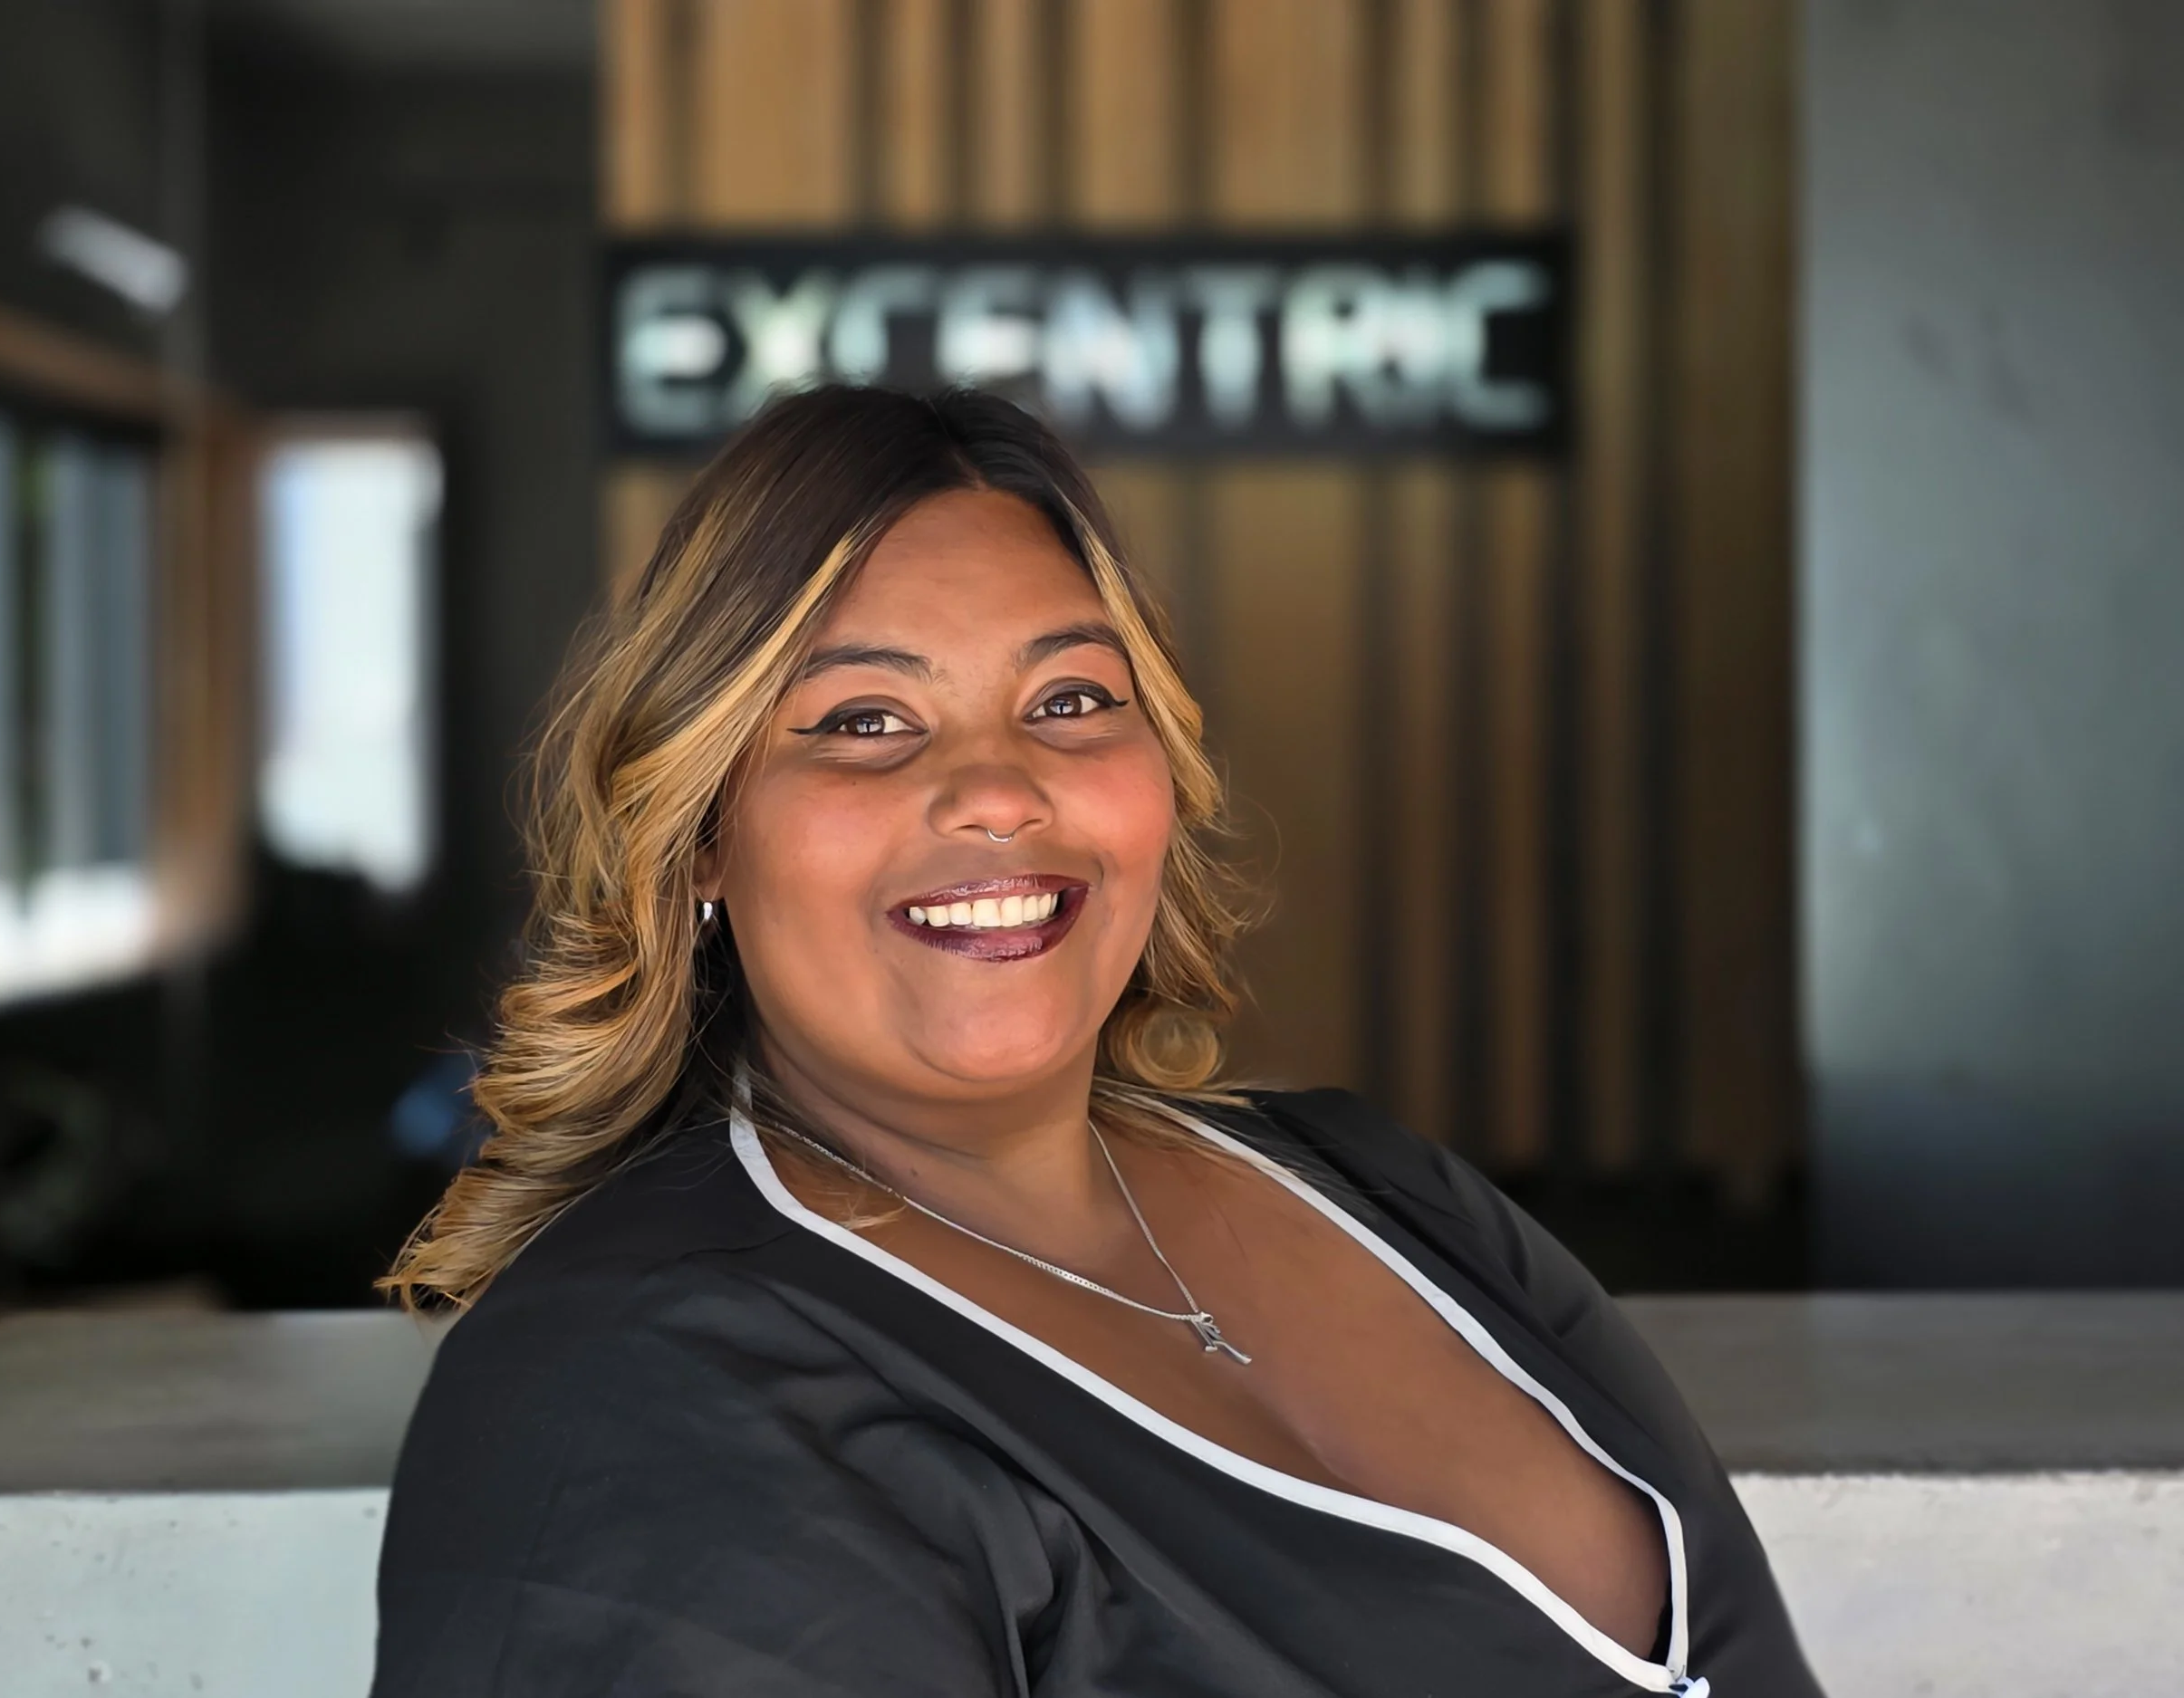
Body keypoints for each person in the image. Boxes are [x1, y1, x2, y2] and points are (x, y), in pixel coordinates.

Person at [371, 387, 1820, 1698]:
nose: (998, 789)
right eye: (865, 719)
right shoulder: (631, 1384)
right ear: (698, 831)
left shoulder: (1383, 1188)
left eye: (1070, 699)